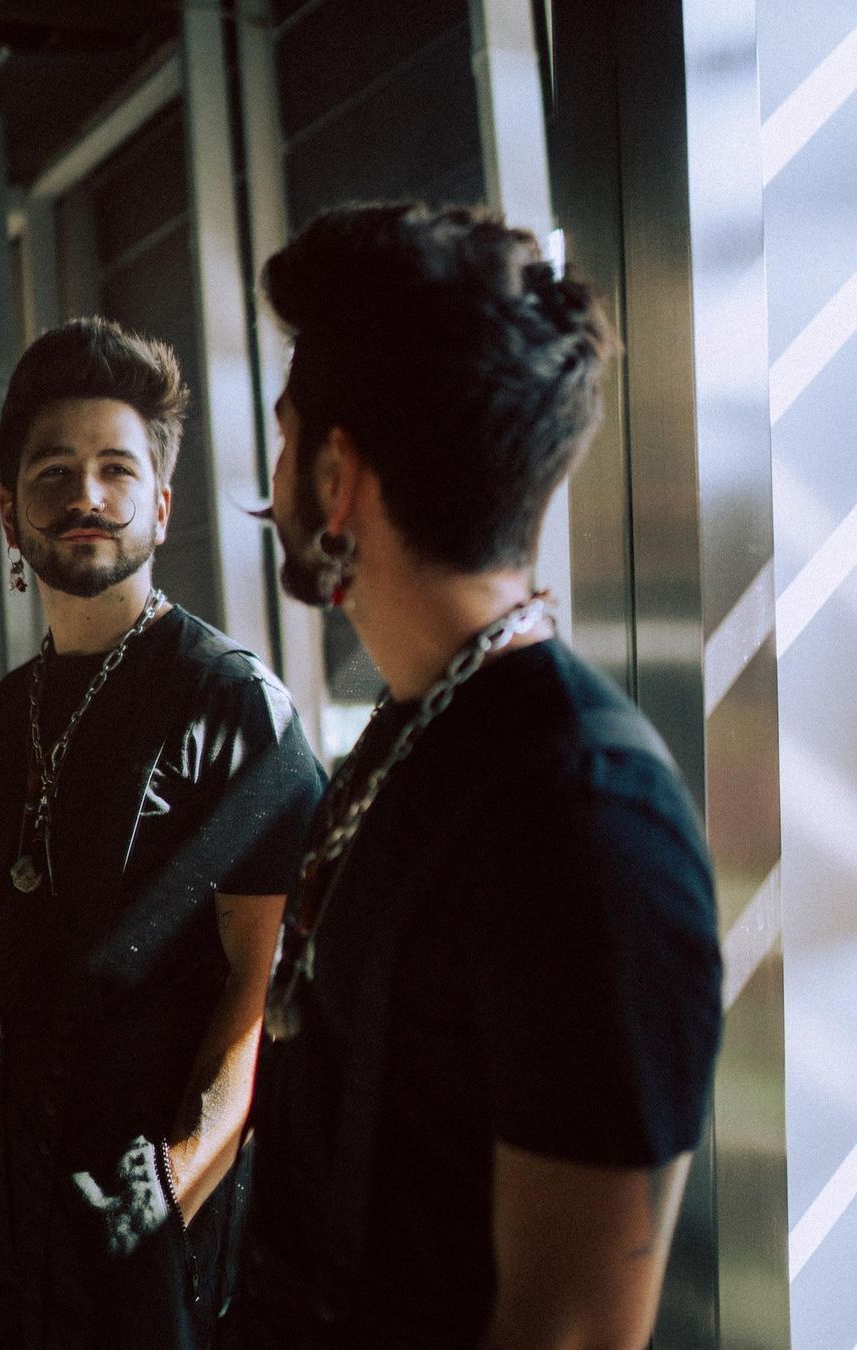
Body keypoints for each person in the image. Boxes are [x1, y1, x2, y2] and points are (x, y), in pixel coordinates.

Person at [229, 204, 723, 1349]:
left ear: (338, 475)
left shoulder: (588, 815)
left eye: (287, 437)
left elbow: (575, 1330)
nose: (274, 474)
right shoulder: (419, 730)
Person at [0, 317, 324, 1350]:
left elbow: (265, 989)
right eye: (53, 471)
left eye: (116, 468)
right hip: (8, 1212)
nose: (86, 495)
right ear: (10, 512)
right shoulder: (4, 717)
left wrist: (166, 1194)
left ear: (159, 503)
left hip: (157, 1226)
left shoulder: (230, 704)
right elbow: (1, 957)